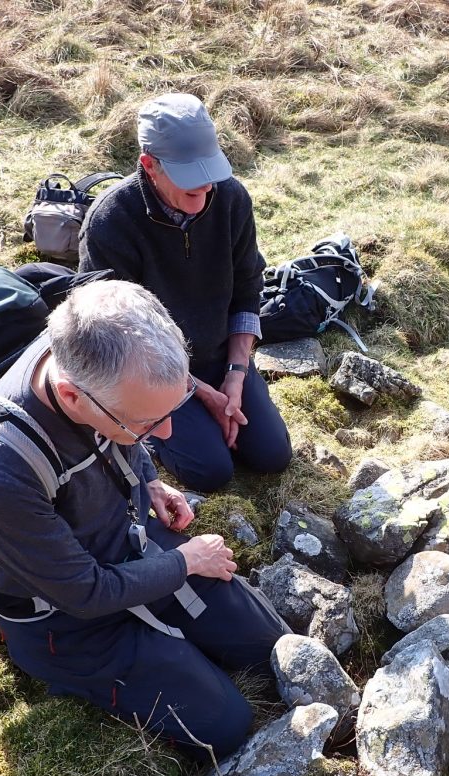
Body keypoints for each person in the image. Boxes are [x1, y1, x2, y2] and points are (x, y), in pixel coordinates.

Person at [0, 279, 289, 758]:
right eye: (147, 424)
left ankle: (171, 641)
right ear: (71, 398)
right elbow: (86, 593)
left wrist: (147, 480)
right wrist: (187, 561)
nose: (167, 433)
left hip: (129, 542)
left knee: (272, 649)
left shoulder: (91, 354)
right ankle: (56, 668)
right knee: (225, 724)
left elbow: (120, 436)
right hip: (68, 616)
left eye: (172, 411)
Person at [77, 92, 291, 492]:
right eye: (189, 178)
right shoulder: (111, 221)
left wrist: (235, 374)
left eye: (209, 173)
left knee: (271, 455)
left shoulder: (231, 198)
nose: (206, 188)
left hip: (220, 356)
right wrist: (198, 392)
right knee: (211, 471)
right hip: (149, 373)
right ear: (149, 165)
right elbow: (113, 336)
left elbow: (248, 287)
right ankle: (147, 433)